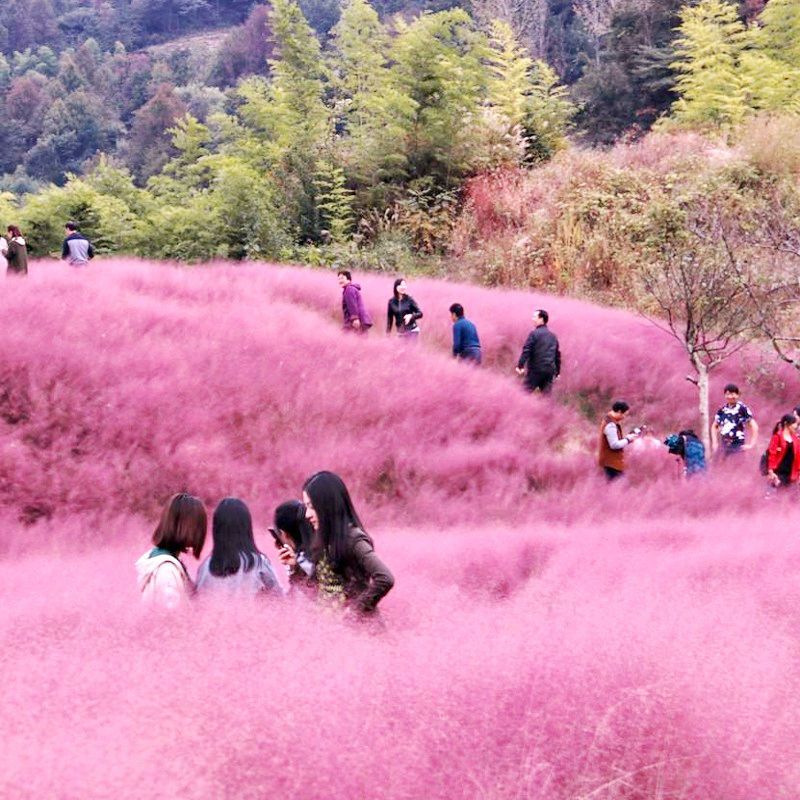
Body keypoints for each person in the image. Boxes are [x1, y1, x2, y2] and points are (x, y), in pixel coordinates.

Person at [302, 471, 394, 616]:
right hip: (331, 632)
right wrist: (294, 566)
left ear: (328, 506)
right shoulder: (323, 541)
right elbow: (317, 589)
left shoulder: (352, 539)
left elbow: (385, 578)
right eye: (306, 507)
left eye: (312, 507)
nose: (307, 514)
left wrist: (353, 612)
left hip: (362, 634)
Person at [196, 498, 282, 596]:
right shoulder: (259, 563)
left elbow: (198, 602)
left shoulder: (206, 567)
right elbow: (280, 598)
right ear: (247, 528)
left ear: (217, 530)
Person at [135, 493, 207, 608]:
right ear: (187, 528)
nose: (201, 534)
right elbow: (170, 617)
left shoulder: (161, 560)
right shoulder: (166, 570)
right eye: (198, 527)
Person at [272, 499, 317, 590]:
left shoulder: (301, 561)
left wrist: (293, 568)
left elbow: (299, 597)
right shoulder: (321, 551)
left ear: (284, 534)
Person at [515, 309, 561, 393]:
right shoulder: (553, 336)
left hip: (535, 370)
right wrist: (557, 372)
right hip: (549, 371)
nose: (532, 319)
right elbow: (557, 356)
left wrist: (520, 365)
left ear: (541, 319)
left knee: (523, 394)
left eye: (534, 317)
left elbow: (527, 350)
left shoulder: (534, 334)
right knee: (546, 399)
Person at [711, 384, 758, 457]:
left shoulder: (742, 408)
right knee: (719, 466)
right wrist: (715, 443)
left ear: (737, 395)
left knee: (736, 466)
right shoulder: (722, 410)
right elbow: (714, 426)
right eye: (727, 394)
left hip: (737, 445)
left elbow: (754, 426)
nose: (730, 396)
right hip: (724, 445)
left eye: (732, 394)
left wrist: (751, 444)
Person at [598, 401, 641, 480]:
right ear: (619, 411)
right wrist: (628, 439)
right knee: (620, 488)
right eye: (625, 414)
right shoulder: (610, 425)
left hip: (610, 463)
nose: (624, 417)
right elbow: (614, 445)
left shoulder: (608, 420)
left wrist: (627, 438)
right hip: (611, 464)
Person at [765, 413, 800, 489]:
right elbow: (772, 454)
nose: (796, 426)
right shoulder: (777, 437)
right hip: (778, 473)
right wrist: (771, 471)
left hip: (791, 474)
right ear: (786, 424)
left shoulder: (796, 439)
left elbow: (798, 456)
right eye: (794, 424)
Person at [337, 269, 372, 333]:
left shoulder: (349, 289)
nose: (340, 280)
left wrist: (355, 318)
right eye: (338, 279)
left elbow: (352, 304)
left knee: (344, 338)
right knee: (361, 339)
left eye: (342, 278)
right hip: (361, 320)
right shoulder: (351, 289)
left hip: (355, 321)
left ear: (348, 279)